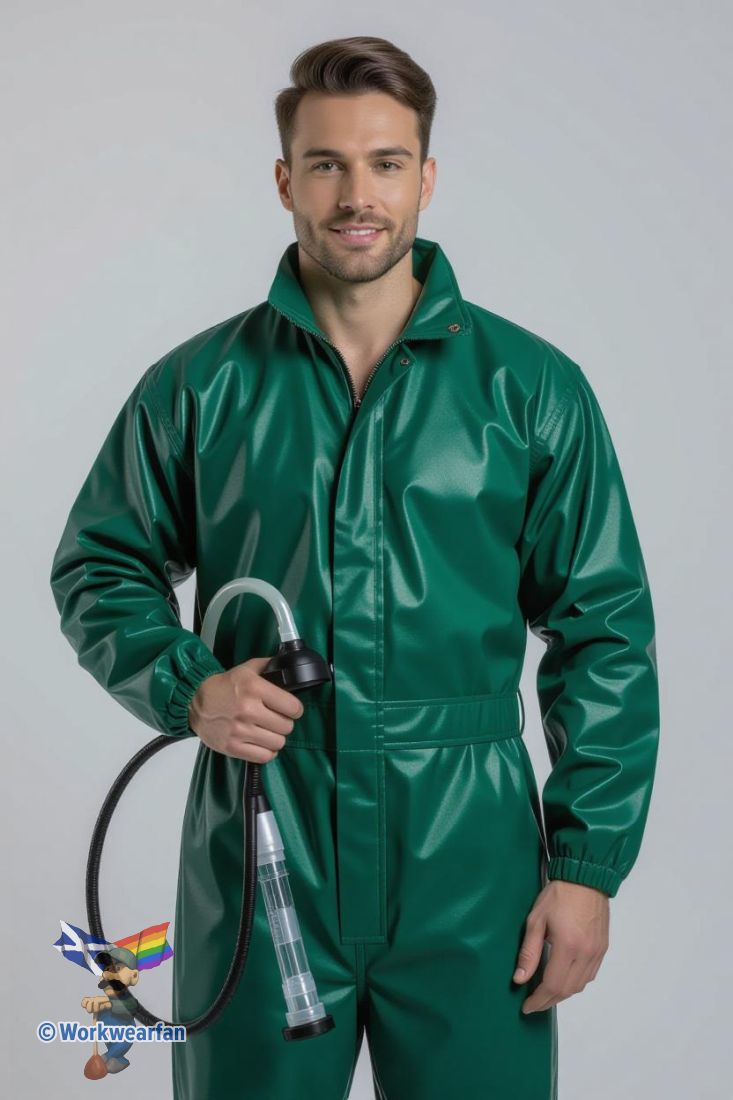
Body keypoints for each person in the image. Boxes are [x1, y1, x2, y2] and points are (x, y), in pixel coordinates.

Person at [49, 35, 660, 1100]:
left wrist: (585, 867)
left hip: (469, 863)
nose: (355, 195)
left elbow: (603, 628)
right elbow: (100, 567)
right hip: (263, 844)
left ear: (426, 177)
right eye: (325, 163)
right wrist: (191, 685)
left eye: (385, 162)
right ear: (285, 180)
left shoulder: (528, 389)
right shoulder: (201, 387)